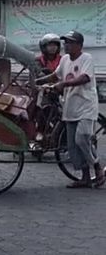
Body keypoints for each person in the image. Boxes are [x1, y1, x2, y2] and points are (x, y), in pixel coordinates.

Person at [37, 31, 104, 188]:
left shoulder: (86, 58)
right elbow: (55, 75)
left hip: (86, 106)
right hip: (70, 106)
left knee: (82, 138)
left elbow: (84, 78)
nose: (67, 45)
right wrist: (38, 82)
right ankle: (85, 177)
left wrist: (64, 84)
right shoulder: (65, 59)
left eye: (70, 42)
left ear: (79, 46)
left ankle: (97, 166)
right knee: (73, 146)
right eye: (65, 42)